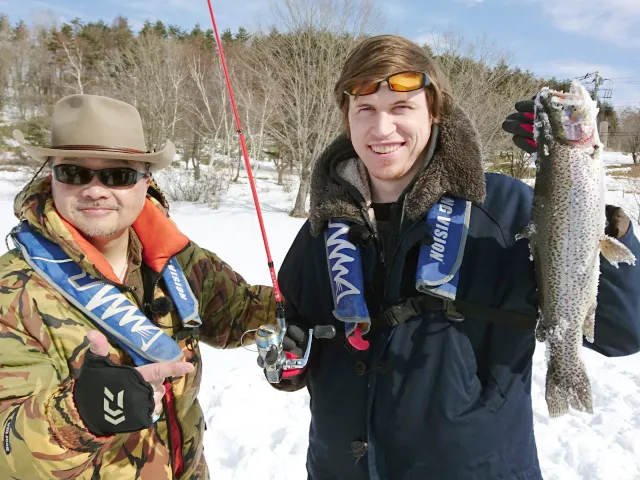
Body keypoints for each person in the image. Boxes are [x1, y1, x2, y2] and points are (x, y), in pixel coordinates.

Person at [265, 34, 640, 479]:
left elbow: (624, 329)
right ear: (347, 118)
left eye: (401, 108)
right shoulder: (324, 228)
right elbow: (298, 330)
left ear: (435, 111)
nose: (382, 129)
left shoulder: (502, 208)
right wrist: (289, 363)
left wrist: (578, 197)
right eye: (366, 109)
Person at [0, 94, 276, 479]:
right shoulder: (11, 293)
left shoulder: (176, 258)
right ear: (52, 178)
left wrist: (305, 299)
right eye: (75, 173)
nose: (95, 190)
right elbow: (7, 447)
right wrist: (78, 414)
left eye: (118, 175)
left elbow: (240, 312)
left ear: (146, 181)